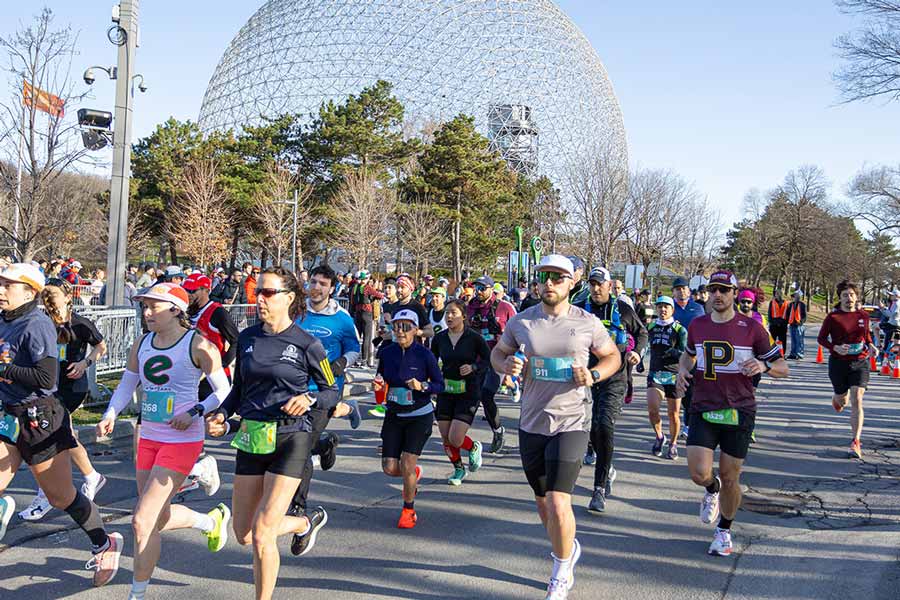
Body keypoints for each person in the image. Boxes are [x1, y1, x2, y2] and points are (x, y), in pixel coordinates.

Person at [205, 267, 339, 600]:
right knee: (244, 533)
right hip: (252, 436)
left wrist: (308, 398)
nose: (259, 299)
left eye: (267, 293)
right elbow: (238, 390)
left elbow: (332, 391)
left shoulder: (307, 343)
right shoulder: (249, 338)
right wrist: (222, 412)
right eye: (257, 292)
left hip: (292, 437)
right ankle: (303, 522)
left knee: (264, 533)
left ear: (289, 298)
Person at [492, 255, 620, 599]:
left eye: (558, 278)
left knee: (559, 501)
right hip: (533, 420)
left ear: (570, 283)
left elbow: (613, 357)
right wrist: (508, 364)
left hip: (573, 420)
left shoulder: (587, 322)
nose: (550, 283)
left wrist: (593, 375)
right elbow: (498, 353)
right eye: (544, 277)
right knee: (543, 506)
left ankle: (561, 568)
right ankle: (567, 547)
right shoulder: (521, 322)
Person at [97, 282, 231, 600]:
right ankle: (209, 521)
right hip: (149, 438)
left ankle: (137, 594)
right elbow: (128, 383)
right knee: (157, 516)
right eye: (144, 306)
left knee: (142, 520)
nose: (146, 312)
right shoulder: (142, 343)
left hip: (182, 440)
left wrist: (196, 410)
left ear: (175, 309)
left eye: (153, 306)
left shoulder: (197, 345)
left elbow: (223, 390)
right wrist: (110, 413)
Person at [0, 263, 122, 587]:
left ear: (29, 292)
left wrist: (5, 369)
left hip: (41, 418)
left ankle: (104, 543)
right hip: (9, 415)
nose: (0, 290)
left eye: (8, 286)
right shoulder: (3, 320)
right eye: (0, 283)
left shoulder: (36, 323)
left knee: (60, 496)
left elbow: (46, 377)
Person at [676, 270, 788, 557]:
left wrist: (764, 367)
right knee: (699, 472)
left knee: (730, 476)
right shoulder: (698, 325)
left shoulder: (752, 328)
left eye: (724, 290)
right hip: (703, 406)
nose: (718, 295)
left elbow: (782, 367)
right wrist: (682, 372)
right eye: (713, 290)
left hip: (739, 410)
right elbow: (688, 355)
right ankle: (710, 489)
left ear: (735, 294)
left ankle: (724, 530)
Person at [18, 279, 109, 522]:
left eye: (55, 294)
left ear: (68, 297)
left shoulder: (80, 323)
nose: (50, 299)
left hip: (71, 388)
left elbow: (101, 347)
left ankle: (48, 493)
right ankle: (90, 477)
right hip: (46, 387)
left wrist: (84, 363)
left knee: (53, 435)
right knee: (63, 435)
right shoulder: (40, 322)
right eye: (47, 294)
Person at [288, 264, 362, 554]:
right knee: (295, 441)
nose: (316, 287)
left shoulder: (342, 319)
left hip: (324, 390)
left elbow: (354, 348)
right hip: (293, 388)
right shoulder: (297, 312)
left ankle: (300, 512)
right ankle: (326, 443)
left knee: (300, 449)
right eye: (313, 282)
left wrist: (341, 364)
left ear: (332, 288)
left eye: (322, 284)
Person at [579, 266, 647, 512]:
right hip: (585, 377)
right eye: (592, 284)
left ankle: (599, 489)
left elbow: (642, 333)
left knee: (603, 425)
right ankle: (607, 466)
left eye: (600, 284)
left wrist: (637, 353)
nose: (596, 289)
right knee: (589, 431)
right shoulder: (579, 308)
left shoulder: (623, 309)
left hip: (615, 377)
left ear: (609, 286)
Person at [374, 309, 444, 528]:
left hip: (419, 416)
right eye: (396, 326)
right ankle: (413, 475)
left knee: (406, 462)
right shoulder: (386, 353)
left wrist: (422, 386)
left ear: (415, 330)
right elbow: (381, 378)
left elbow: (440, 385)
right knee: (389, 468)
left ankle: (408, 510)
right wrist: (378, 387)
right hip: (394, 415)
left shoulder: (425, 355)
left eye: (405, 327)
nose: (400, 331)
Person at [431, 299, 490, 485]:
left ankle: (473, 447)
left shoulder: (474, 338)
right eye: (447, 312)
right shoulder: (439, 338)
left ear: (464, 316)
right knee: (445, 436)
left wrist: (473, 367)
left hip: (468, 392)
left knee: (455, 438)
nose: (449, 316)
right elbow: (431, 361)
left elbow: (488, 359)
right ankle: (458, 469)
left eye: (454, 313)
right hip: (445, 391)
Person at [817, 280, 876, 459]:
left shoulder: (864, 316)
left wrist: (872, 345)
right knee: (842, 400)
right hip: (838, 363)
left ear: (856, 297)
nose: (848, 298)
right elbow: (821, 338)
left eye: (851, 295)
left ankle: (855, 441)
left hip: (860, 362)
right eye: (845, 295)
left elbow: (866, 336)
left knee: (857, 398)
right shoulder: (833, 317)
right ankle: (837, 398)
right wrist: (834, 347)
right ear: (840, 298)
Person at [466, 275, 517, 453]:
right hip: (477, 359)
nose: (478, 291)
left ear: (491, 289)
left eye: (482, 288)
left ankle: (498, 432)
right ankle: (495, 429)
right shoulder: (470, 307)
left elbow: (518, 333)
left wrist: (512, 365)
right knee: (474, 398)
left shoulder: (504, 307)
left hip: (498, 359)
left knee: (486, 394)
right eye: (476, 288)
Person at [645, 296, 687, 459]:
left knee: (673, 414)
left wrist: (675, 353)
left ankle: (673, 443)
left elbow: (686, 353)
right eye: (660, 306)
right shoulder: (651, 326)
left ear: (672, 310)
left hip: (674, 375)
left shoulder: (680, 330)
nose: (663, 309)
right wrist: (640, 360)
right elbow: (644, 344)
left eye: (666, 307)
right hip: (655, 373)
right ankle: (660, 437)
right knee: (652, 409)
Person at [672, 276, 706, 437]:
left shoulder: (697, 308)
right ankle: (676, 423)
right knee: (676, 393)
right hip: (672, 355)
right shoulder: (669, 307)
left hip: (692, 355)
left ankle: (688, 424)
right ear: (673, 292)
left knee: (690, 391)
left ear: (689, 290)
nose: (681, 291)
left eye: (684, 288)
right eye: (678, 289)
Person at [351, 270, 384, 368]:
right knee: (367, 338)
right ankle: (364, 361)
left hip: (357, 313)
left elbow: (352, 300)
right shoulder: (367, 288)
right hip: (367, 313)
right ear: (366, 279)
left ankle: (354, 360)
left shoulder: (354, 288)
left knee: (357, 337)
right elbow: (379, 295)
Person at [786, 290, 807, 359]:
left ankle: (799, 354)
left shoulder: (802, 305)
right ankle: (793, 353)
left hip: (799, 325)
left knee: (799, 340)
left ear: (798, 296)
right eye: (793, 296)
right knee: (793, 340)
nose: (794, 297)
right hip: (792, 324)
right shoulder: (790, 304)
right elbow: (788, 314)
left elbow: (804, 315)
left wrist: (801, 322)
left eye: (795, 295)